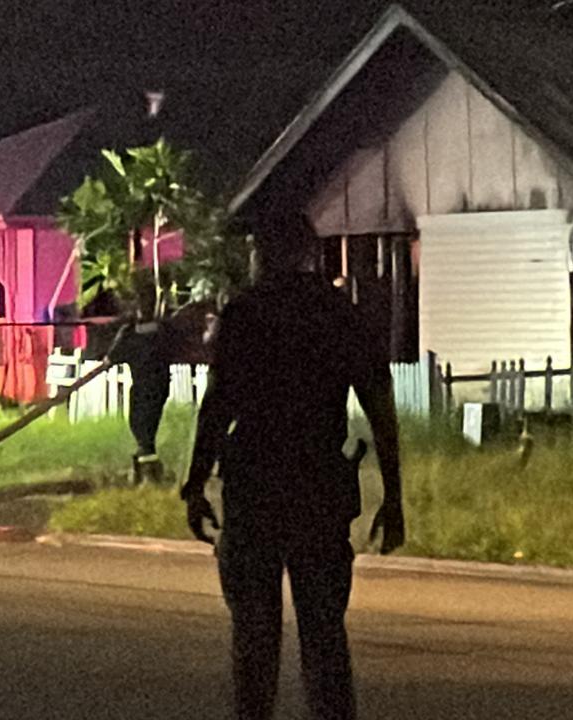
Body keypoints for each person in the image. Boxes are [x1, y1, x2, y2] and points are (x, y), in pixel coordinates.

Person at [182, 210, 404, 720]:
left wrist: (196, 483)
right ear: (309, 254)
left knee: (255, 640)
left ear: (264, 253)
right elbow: (381, 413)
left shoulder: (245, 314)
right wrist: (394, 498)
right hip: (320, 489)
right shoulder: (339, 313)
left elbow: (218, 406)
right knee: (324, 637)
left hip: (256, 489)